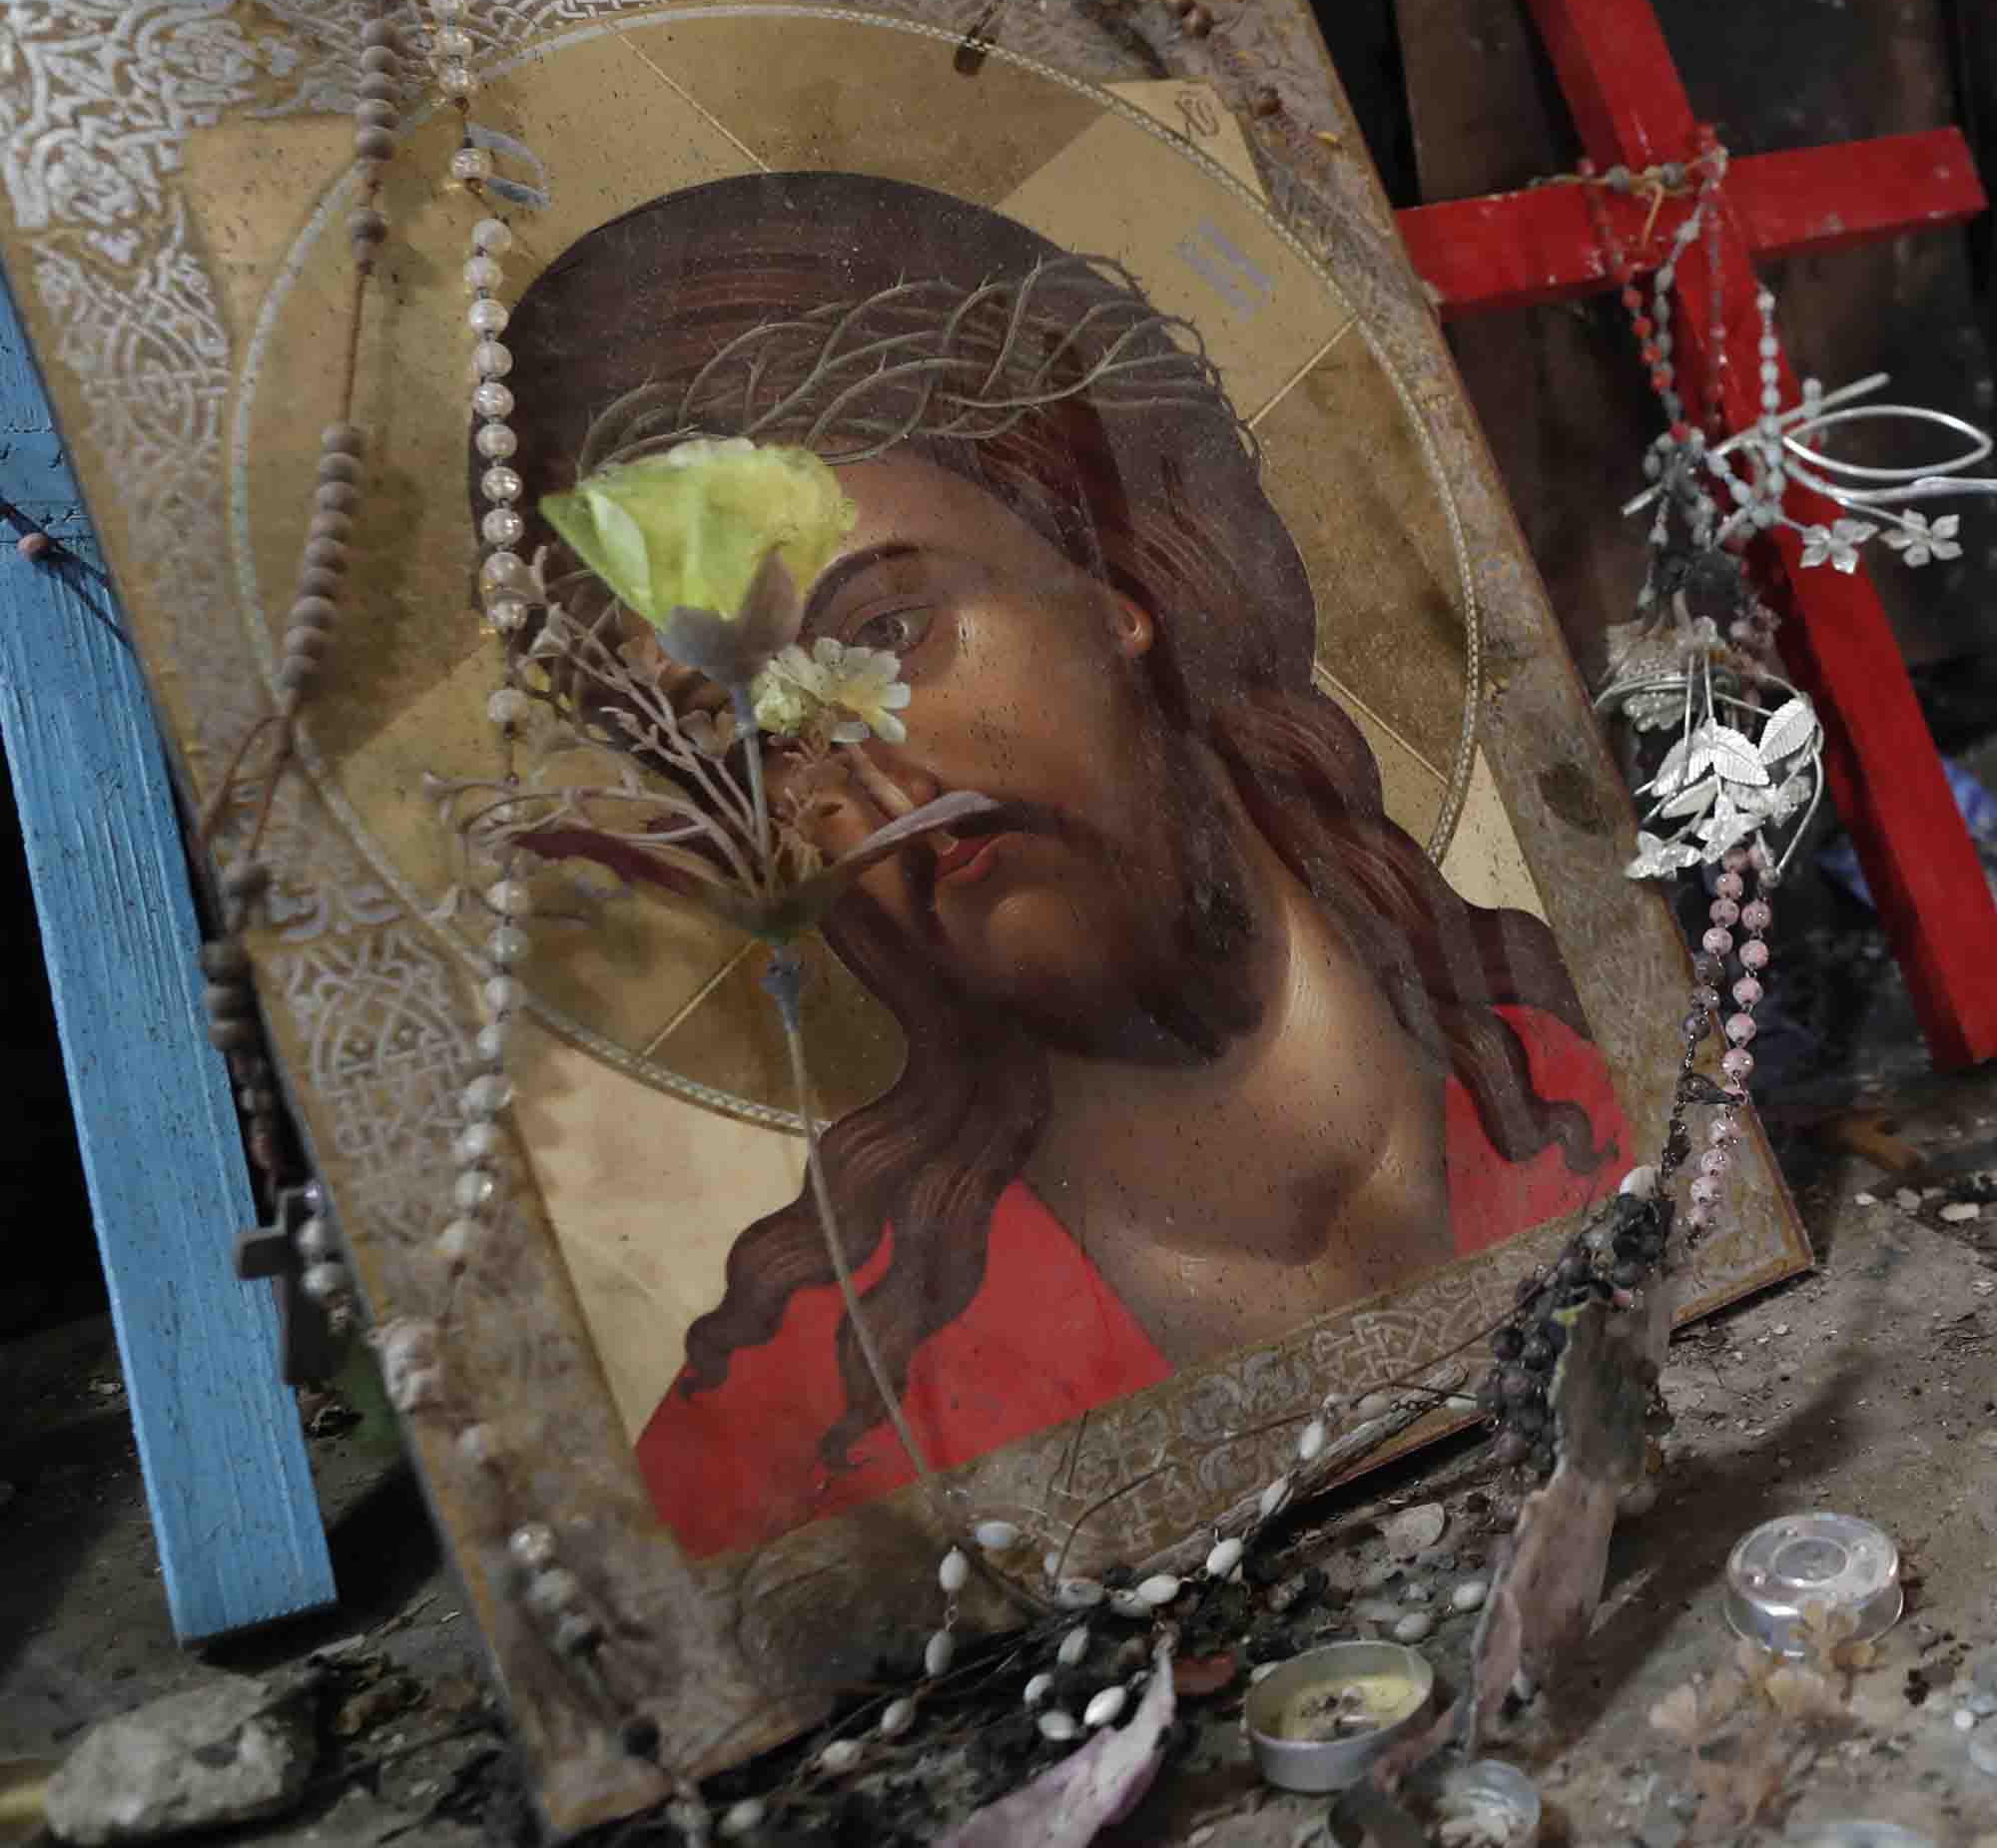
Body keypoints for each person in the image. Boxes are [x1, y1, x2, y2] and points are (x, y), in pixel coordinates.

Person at [504, 170, 1628, 1557]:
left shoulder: (1622, 1083)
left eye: (893, 627)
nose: (878, 780)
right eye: (758, 738)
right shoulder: (804, 1442)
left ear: (1113, 577)